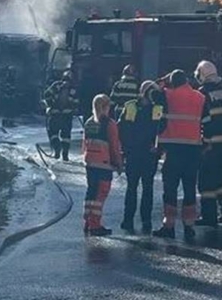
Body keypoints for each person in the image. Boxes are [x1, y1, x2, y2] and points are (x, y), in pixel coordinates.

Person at [152, 70, 206, 240]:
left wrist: (162, 80)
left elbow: (152, 92)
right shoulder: (200, 97)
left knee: (170, 189)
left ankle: (169, 225)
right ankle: (189, 226)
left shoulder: (168, 94)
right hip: (193, 150)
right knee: (190, 189)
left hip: (173, 150)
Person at [118, 80, 167, 234]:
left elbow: (163, 127)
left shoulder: (157, 107)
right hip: (135, 152)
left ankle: (146, 220)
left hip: (148, 153)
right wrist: (125, 149)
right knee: (132, 188)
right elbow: (122, 128)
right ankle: (128, 219)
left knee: (147, 188)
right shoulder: (131, 106)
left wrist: (158, 148)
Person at [194, 60, 222, 226]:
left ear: (202, 75)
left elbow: (205, 121)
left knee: (205, 182)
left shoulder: (203, 93)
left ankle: (209, 216)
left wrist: (205, 144)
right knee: (220, 179)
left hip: (212, 144)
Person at [82, 94, 124, 236]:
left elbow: (84, 143)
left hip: (90, 162)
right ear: (107, 107)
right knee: (100, 195)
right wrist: (118, 164)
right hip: (103, 163)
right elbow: (114, 146)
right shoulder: (109, 123)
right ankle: (95, 225)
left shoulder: (88, 122)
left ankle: (87, 221)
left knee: (91, 193)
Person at [43, 70, 79, 161]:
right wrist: (72, 110)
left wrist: (50, 105)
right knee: (66, 136)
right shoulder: (74, 89)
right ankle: (65, 154)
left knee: (53, 132)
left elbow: (46, 94)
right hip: (67, 116)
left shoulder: (56, 85)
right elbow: (76, 103)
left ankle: (57, 149)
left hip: (55, 115)